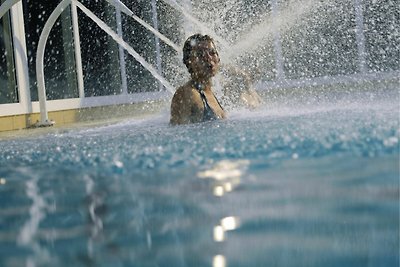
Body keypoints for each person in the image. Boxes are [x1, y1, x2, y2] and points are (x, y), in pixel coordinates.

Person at [170, 34, 226, 125]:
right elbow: (177, 134)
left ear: (218, 58)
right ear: (189, 62)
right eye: (200, 54)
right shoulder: (187, 94)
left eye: (212, 52)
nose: (208, 58)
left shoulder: (210, 93)